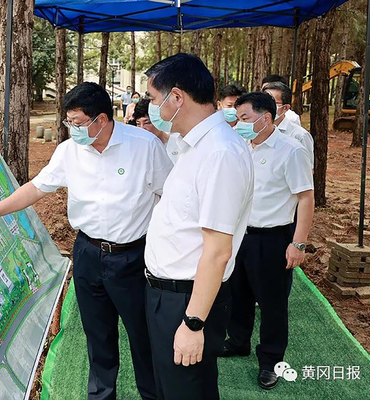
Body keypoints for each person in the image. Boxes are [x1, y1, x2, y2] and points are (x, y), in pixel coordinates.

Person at [0, 82, 172, 400]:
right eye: (69, 122)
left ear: (102, 119)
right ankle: (101, 395)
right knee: (97, 334)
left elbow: (169, 194)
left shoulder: (144, 146)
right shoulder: (68, 151)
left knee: (142, 334)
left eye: (78, 123)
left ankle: (153, 394)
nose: (73, 129)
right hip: (88, 254)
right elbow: (37, 187)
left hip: (132, 256)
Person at [143, 53, 254, 399]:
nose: (152, 108)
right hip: (168, 294)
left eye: (154, 99)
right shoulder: (194, 145)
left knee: (187, 390)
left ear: (177, 97)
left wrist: (193, 324)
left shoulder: (219, 153)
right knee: (170, 388)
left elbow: (218, 251)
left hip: (188, 301)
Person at [221, 92, 314, 391]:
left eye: (245, 118)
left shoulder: (291, 150)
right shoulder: (241, 145)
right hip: (240, 234)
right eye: (238, 118)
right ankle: (238, 341)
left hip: (272, 237)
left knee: (272, 303)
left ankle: (271, 361)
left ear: (266, 117)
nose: (240, 123)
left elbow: (306, 198)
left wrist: (298, 243)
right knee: (238, 293)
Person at [263, 82, 314, 172]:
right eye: (263, 101)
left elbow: (306, 170)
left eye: (272, 102)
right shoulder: (256, 131)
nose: (265, 106)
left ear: (285, 108)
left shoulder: (300, 135)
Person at [132, 97, 180, 163]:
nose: (142, 128)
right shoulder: (138, 149)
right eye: (138, 124)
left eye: (147, 123)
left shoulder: (177, 143)